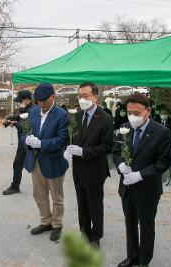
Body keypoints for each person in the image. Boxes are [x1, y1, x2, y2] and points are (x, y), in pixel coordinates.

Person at [113, 93, 171, 267]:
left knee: (146, 226)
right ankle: (132, 256)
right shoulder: (124, 127)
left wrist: (140, 175)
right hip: (127, 188)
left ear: (148, 111)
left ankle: (144, 260)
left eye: (137, 113)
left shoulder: (161, 132)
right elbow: (116, 152)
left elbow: (163, 162)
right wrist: (120, 166)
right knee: (130, 224)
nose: (132, 116)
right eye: (129, 112)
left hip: (147, 189)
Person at [64, 82, 114, 248]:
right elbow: (71, 137)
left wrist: (83, 152)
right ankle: (84, 233)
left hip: (94, 170)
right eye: (80, 95)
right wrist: (68, 150)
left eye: (86, 95)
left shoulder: (105, 119)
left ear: (95, 97)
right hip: (78, 170)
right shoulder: (77, 116)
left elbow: (107, 147)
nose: (82, 99)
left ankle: (96, 235)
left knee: (95, 205)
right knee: (82, 204)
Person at [22, 82, 69, 242]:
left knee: (57, 197)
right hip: (36, 162)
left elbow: (62, 140)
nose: (42, 104)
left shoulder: (62, 115)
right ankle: (45, 221)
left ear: (53, 96)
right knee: (39, 195)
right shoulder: (33, 112)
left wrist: (41, 144)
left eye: (45, 100)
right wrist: (26, 140)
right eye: (39, 101)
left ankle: (57, 225)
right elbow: (24, 131)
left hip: (54, 162)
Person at [3, 90, 33, 195]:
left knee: (34, 167)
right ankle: (15, 186)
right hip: (22, 143)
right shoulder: (23, 108)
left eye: (20, 101)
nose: (19, 103)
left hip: (30, 144)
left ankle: (44, 188)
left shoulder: (33, 110)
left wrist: (14, 123)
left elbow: (27, 126)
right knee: (17, 165)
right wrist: (9, 119)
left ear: (27, 100)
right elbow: (17, 116)